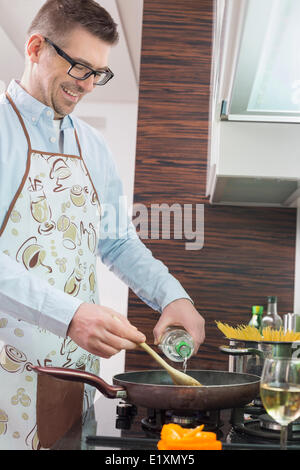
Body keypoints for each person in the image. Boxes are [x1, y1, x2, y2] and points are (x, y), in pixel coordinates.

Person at [0, 0, 205, 450]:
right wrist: (68, 315)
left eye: (99, 73)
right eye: (79, 67)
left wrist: (173, 296)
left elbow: (116, 241)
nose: (89, 85)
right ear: (36, 48)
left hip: (71, 375)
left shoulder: (92, 146)